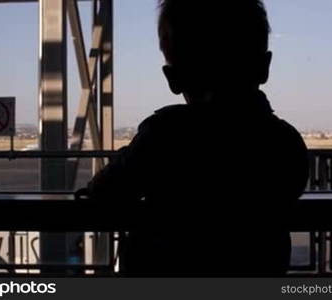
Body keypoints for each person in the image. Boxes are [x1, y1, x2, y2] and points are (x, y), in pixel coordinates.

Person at [77, 0, 309, 277]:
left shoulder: (165, 135)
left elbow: (111, 189)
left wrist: (93, 189)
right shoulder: (284, 143)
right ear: (264, 67)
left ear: (172, 78)